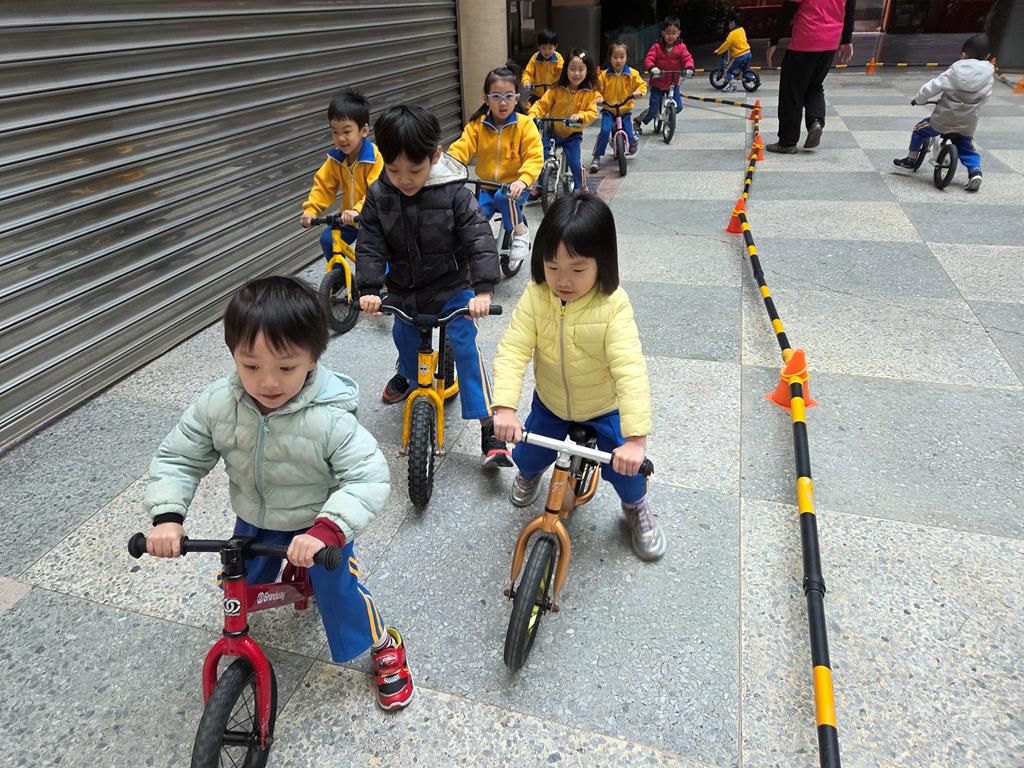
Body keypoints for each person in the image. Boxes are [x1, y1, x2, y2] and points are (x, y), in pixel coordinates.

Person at [143, 276, 414, 711]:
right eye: (250, 366)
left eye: (286, 368)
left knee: (339, 592)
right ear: (233, 354)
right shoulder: (218, 404)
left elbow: (368, 477)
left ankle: (384, 642)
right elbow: (180, 456)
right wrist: (168, 517)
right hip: (254, 518)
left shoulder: (331, 418)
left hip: (317, 523)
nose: (267, 382)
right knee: (238, 584)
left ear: (313, 358)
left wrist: (328, 530)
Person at [490, 193, 667, 561]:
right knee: (528, 454)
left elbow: (630, 371)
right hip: (552, 402)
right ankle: (529, 474)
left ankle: (635, 507)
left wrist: (636, 441)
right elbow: (513, 350)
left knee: (627, 472)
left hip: (603, 407)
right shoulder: (536, 296)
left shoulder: (613, 306)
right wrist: (505, 407)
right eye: (552, 267)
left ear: (603, 263)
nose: (563, 281)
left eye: (578, 269)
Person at [356, 105, 512, 468]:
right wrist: (369, 288)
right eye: (394, 169)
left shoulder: (454, 192)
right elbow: (370, 244)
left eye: (414, 170)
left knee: (465, 344)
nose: (404, 179)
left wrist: (483, 291)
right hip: (405, 288)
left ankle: (489, 427)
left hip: (452, 285)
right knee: (404, 337)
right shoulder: (380, 195)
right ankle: (411, 378)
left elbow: (478, 238)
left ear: (436, 155)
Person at [449, 67, 544, 265]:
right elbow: (462, 147)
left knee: (504, 196)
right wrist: (447, 165)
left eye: (509, 96)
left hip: (516, 188)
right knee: (473, 215)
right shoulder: (477, 125)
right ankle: (478, 249)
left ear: (516, 99)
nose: (503, 102)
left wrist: (523, 180)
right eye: (496, 96)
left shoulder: (525, 125)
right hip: (486, 186)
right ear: (486, 99)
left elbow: (534, 157)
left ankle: (521, 232)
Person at [892, 33, 994, 192]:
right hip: (967, 123)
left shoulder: (954, 71)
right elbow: (986, 97)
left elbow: (932, 87)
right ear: (988, 56)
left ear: (963, 55)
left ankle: (911, 160)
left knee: (919, 130)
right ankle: (975, 172)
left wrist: (919, 99)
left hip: (942, 120)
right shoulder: (988, 76)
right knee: (966, 147)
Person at [300, 89, 383, 259]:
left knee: (374, 254)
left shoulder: (374, 158)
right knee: (328, 239)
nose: (341, 138)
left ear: (364, 131)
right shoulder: (336, 159)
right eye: (335, 132)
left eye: (346, 131)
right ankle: (338, 274)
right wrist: (311, 211)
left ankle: (387, 276)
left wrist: (358, 210)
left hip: (373, 218)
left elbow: (376, 191)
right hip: (348, 218)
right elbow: (323, 186)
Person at [765, 0, 856, 153]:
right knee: (815, 85)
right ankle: (816, 121)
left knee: (791, 91)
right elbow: (850, 9)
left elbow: (787, 10)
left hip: (805, 41)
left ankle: (787, 142)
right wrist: (847, 39)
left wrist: (774, 40)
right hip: (830, 43)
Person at [527, 49, 601, 195]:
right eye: (572, 69)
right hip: (552, 130)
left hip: (572, 134)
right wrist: (533, 115)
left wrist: (580, 116)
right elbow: (542, 104)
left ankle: (580, 188)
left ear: (587, 71)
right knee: (541, 157)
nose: (576, 73)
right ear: (565, 69)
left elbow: (592, 112)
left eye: (581, 69)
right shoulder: (556, 89)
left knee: (575, 162)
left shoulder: (589, 93)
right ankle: (541, 186)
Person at [589, 41, 647, 173]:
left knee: (630, 133)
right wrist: (598, 98)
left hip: (624, 110)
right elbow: (596, 90)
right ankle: (597, 156)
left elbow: (642, 85)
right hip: (609, 109)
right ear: (610, 58)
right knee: (604, 131)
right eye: (615, 57)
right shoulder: (604, 75)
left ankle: (633, 141)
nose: (618, 60)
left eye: (622, 57)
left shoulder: (632, 73)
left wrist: (639, 92)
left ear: (627, 57)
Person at [637, 17, 695, 131]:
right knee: (653, 109)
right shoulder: (657, 47)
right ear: (663, 33)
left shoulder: (681, 47)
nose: (670, 36)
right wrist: (653, 68)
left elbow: (687, 58)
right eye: (668, 33)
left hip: (673, 83)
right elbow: (649, 58)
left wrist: (689, 68)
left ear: (678, 33)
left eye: (673, 33)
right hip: (658, 82)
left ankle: (669, 118)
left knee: (678, 106)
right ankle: (639, 120)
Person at [522, 28, 564, 105]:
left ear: (555, 47)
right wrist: (526, 81)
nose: (547, 52)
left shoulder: (558, 59)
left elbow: (563, 74)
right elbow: (528, 73)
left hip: (553, 94)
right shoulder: (535, 59)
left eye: (550, 48)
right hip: (538, 94)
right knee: (529, 108)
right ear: (539, 47)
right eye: (544, 48)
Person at [715, 13, 753, 93]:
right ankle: (751, 77)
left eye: (729, 24)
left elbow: (726, 45)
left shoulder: (732, 34)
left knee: (727, 71)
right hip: (748, 53)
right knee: (744, 69)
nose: (728, 26)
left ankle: (732, 86)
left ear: (733, 23)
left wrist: (718, 51)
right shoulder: (742, 30)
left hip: (739, 56)